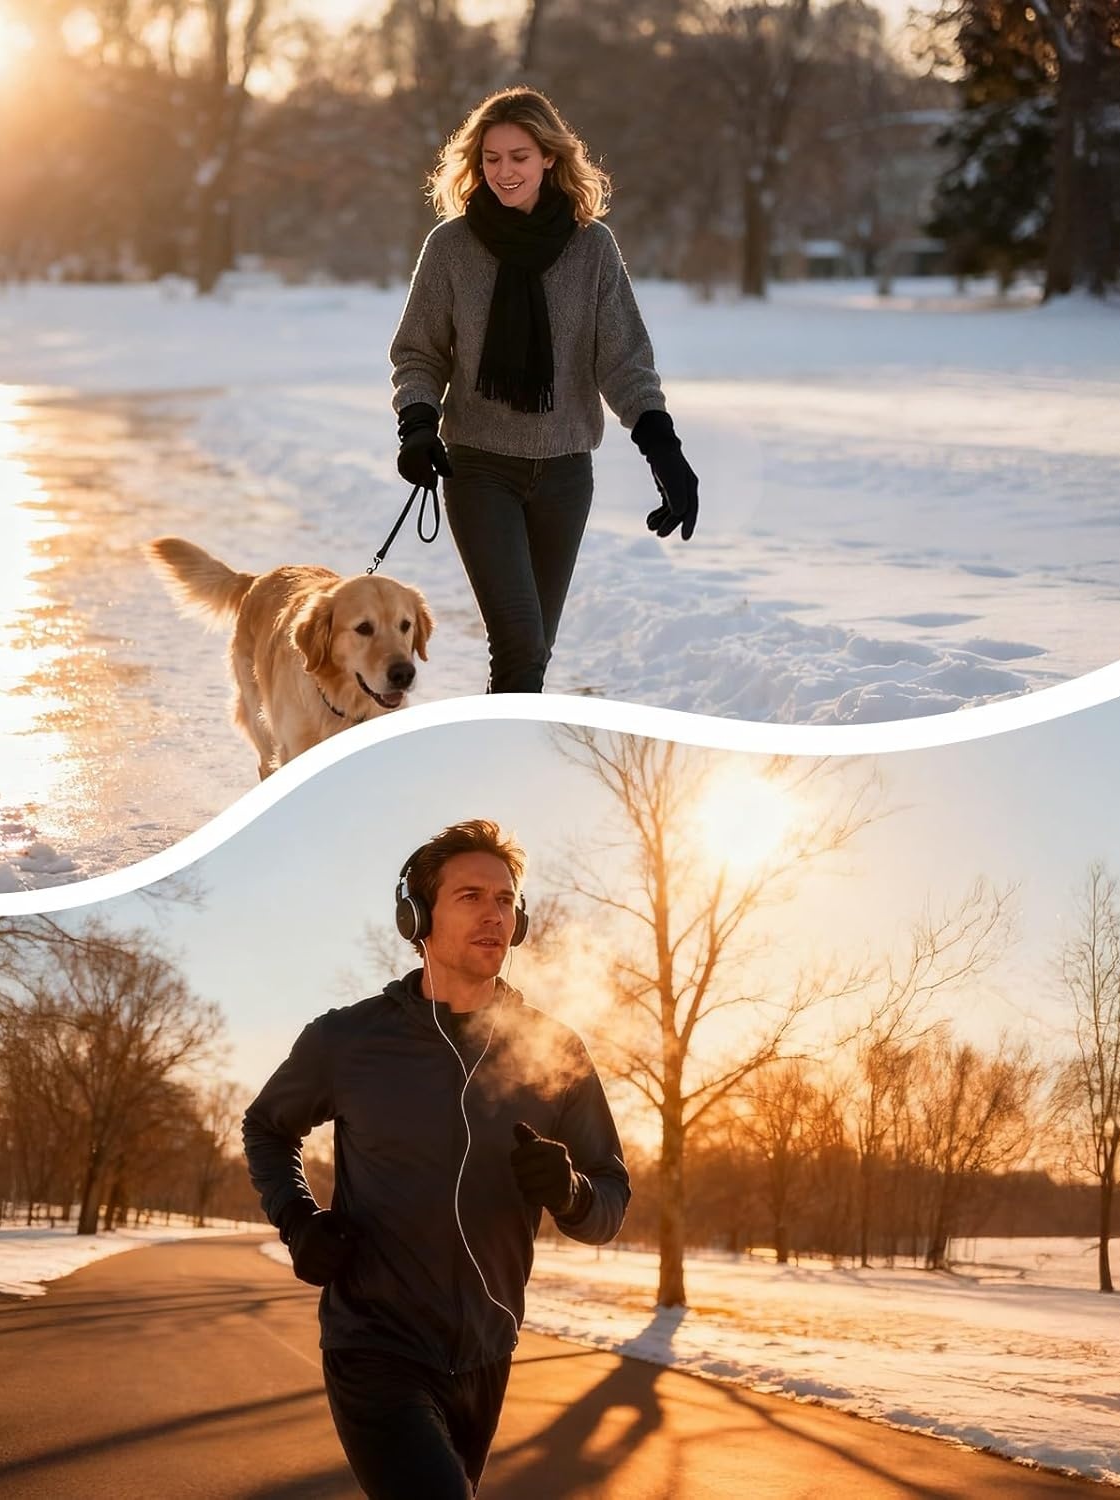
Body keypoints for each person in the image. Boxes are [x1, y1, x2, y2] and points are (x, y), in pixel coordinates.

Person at [242, 819, 630, 1499]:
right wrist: (299, 1219)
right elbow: (266, 1128)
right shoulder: (350, 1040)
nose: (494, 915)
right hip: (375, 1344)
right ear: (416, 918)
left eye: (506, 900)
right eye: (471, 896)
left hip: (486, 1354)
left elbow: (609, 1202)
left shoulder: (554, 1050)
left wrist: (569, 1191)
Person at [389, 87, 699, 695]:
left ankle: (504, 767)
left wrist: (664, 449)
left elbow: (624, 360)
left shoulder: (592, 249)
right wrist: (418, 425)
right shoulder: (451, 247)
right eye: (492, 158)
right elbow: (419, 352)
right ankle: (507, 778)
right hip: (479, 468)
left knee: (533, 652)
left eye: (520, 157)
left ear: (550, 159)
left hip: (564, 475)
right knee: (520, 643)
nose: (504, 172)